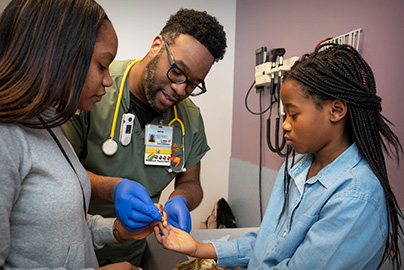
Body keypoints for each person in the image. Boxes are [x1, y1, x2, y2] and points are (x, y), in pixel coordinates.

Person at [155, 44, 404, 269]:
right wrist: (198, 249)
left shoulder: (356, 197)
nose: (285, 125)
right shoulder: (295, 167)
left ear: (336, 110)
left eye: (293, 115)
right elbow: (269, 243)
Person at [0, 0, 167, 269]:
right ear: (58, 55)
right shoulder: (6, 139)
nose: (108, 80)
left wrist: (116, 230)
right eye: (102, 65)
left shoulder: (47, 124)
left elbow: (63, 231)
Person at [61, 8, 227, 266]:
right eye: (177, 71)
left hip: (130, 252)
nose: (181, 89)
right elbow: (59, 177)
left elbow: (192, 183)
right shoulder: (94, 86)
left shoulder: (189, 119)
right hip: (72, 247)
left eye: (194, 83)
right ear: (157, 45)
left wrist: (180, 200)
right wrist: (114, 190)